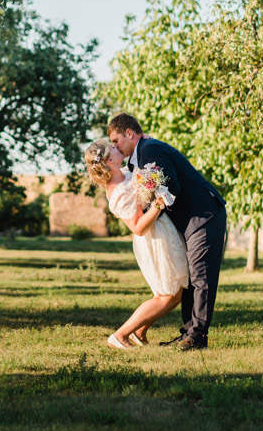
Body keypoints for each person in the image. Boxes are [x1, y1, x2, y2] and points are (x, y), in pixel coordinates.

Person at [108, 113, 226, 351]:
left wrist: (150, 216)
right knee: (193, 278)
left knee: (201, 277)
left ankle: (197, 337)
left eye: (116, 140)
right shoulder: (143, 153)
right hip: (190, 219)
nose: (115, 146)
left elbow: (171, 187)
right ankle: (188, 334)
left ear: (129, 133)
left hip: (203, 214)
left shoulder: (150, 149)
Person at [84, 138, 188, 350]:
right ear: (108, 159)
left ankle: (140, 333)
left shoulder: (124, 173)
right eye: (112, 147)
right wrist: (158, 204)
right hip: (153, 240)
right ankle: (120, 335)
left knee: (173, 292)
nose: (117, 147)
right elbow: (138, 227)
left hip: (163, 233)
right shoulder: (117, 191)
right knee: (168, 294)